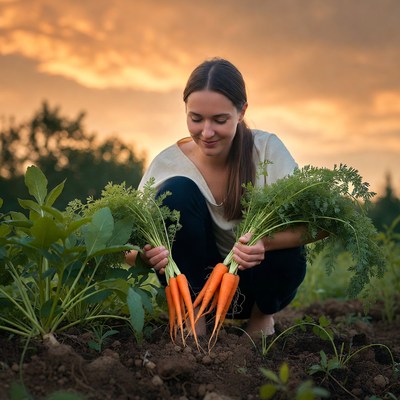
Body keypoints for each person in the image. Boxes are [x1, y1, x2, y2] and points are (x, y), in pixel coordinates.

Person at [126, 57, 325, 337]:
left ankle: (260, 321)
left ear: (242, 111)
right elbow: (126, 246)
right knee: (177, 192)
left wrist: (265, 244)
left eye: (220, 120)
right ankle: (194, 321)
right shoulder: (167, 165)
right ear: (185, 111)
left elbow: (323, 222)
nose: (206, 132)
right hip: (194, 285)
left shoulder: (266, 150)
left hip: (258, 288)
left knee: (287, 246)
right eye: (195, 119)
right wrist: (147, 256)